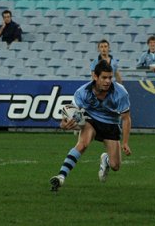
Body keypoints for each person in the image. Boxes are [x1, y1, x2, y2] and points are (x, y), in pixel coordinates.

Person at [50, 60, 132, 191]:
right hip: (91, 119)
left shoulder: (120, 92)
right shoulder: (82, 92)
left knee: (115, 165)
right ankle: (61, 176)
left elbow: (126, 118)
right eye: (104, 77)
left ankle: (105, 160)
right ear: (95, 76)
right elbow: (69, 111)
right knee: (83, 144)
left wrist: (125, 142)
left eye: (110, 77)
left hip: (111, 124)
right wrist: (63, 123)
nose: (107, 81)